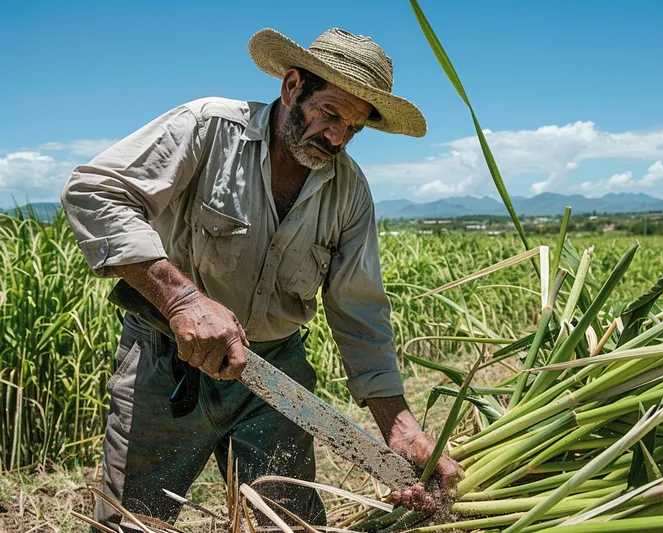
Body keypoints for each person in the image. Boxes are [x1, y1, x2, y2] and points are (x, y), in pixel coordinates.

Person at [61, 26, 461, 531]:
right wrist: (183, 300)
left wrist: (399, 428)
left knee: (287, 524)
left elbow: (359, 311)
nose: (337, 137)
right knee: (132, 522)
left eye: (353, 128)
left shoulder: (349, 191)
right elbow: (95, 192)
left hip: (275, 372)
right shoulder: (208, 128)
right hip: (165, 364)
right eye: (331, 113)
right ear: (293, 86)